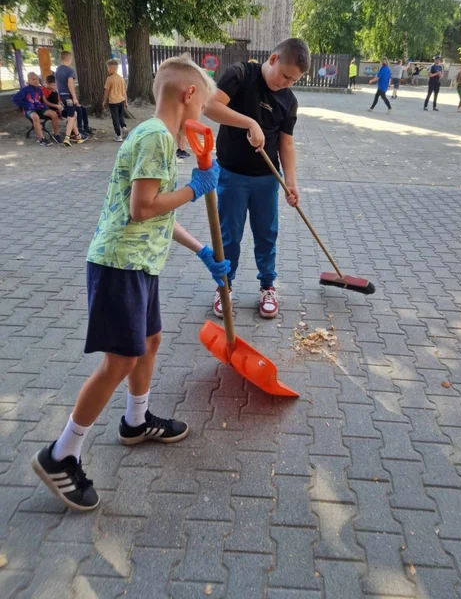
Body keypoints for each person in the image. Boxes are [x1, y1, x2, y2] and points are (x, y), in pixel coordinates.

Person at [31, 55, 230, 511]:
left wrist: (200, 249)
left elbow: (155, 212)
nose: (206, 112)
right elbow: (144, 207)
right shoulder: (157, 137)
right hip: (120, 265)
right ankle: (61, 453)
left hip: (138, 264)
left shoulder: (156, 137)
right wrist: (196, 188)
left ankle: (135, 422)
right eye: (205, 101)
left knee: (150, 340)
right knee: (119, 360)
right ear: (188, 95)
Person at [205, 38, 310, 319]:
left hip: (266, 179)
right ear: (274, 59)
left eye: (294, 80)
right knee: (230, 237)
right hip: (232, 176)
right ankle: (224, 287)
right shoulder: (240, 74)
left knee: (267, 236)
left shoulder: (289, 101)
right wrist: (249, 122)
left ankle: (267, 286)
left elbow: (286, 144)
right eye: (286, 75)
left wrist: (291, 181)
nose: (287, 83)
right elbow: (210, 107)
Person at [12, 72, 61, 146]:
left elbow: (45, 101)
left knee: (54, 114)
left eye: (37, 79)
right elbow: (15, 99)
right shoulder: (24, 90)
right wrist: (26, 105)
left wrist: (56, 105)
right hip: (29, 110)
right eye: (33, 79)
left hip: (39, 108)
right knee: (35, 117)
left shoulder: (39, 90)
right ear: (28, 80)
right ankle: (42, 139)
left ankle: (56, 135)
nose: (36, 81)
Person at [55, 51, 88, 146]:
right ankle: (67, 137)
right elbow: (70, 85)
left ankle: (77, 135)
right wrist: (74, 97)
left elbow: (57, 85)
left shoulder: (57, 70)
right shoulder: (70, 71)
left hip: (61, 96)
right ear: (70, 59)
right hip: (68, 96)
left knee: (74, 114)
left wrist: (58, 98)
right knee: (71, 117)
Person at [103, 59, 128, 142]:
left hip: (113, 101)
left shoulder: (109, 79)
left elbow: (106, 91)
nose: (107, 69)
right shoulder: (121, 79)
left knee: (115, 118)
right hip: (121, 100)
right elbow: (124, 92)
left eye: (108, 68)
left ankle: (118, 135)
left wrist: (104, 100)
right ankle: (124, 127)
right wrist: (126, 102)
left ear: (111, 68)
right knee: (121, 116)